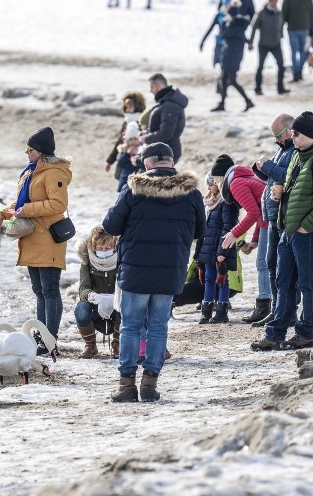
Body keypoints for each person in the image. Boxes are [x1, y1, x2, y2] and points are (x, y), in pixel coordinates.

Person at [104, 142, 204, 403]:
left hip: (135, 270)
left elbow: (111, 225)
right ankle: (150, 385)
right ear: (171, 162)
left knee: (130, 327)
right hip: (171, 270)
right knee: (159, 327)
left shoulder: (133, 189)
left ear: (146, 164)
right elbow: (199, 231)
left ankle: (126, 385)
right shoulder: (191, 192)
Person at [252, 111, 313, 351]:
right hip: (287, 230)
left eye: (296, 133)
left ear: (309, 135)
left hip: (309, 232)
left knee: (308, 283)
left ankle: (305, 333)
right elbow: (294, 187)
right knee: (283, 283)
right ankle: (275, 333)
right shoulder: (296, 157)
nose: (292, 137)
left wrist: (304, 227)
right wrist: (280, 192)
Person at [0, 127, 72, 350]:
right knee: (39, 290)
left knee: (50, 289)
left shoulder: (54, 173)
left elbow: (59, 205)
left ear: (41, 151)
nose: (26, 153)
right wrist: (2, 214)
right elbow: (19, 204)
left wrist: (27, 210)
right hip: (32, 238)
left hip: (48, 237)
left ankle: (50, 340)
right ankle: (42, 337)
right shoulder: (30, 172)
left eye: (30, 149)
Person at [246, 113, 295, 325]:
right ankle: (276, 310)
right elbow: (276, 178)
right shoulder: (282, 149)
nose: (276, 139)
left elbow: (288, 176)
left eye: (278, 135)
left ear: (290, 130)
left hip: (284, 216)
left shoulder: (295, 151)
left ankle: (285, 312)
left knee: (283, 268)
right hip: (273, 216)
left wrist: (267, 166)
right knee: (271, 264)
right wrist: (262, 171)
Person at [213, 154, 268, 322]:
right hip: (270, 220)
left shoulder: (236, 183)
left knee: (263, 264)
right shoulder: (245, 176)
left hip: (273, 221)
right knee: (271, 264)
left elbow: (254, 213)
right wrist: (256, 239)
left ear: (221, 177)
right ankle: (273, 305)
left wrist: (234, 233)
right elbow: (261, 207)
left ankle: (265, 305)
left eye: (215, 180)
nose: (216, 184)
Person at [195, 172, 238, 324]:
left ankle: (221, 312)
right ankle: (206, 312)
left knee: (222, 280)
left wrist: (222, 251)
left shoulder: (226, 203)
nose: (209, 187)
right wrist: (198, 253)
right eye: (208, 185)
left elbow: (227, 228)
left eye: (211, 184)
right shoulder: (209, 204)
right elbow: (204, 229)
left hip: (220, 249)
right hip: (207, 249)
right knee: (208, 279)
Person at [74, 226, 120, 358]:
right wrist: (91, 295)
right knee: (81, 310)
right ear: (94, 247)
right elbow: (83, 288)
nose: (104, 251)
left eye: (107, 248)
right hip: (95, 303)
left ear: (115, 247)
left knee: (127, 306)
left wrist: (114, 297)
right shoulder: (87, 263)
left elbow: (126, 284)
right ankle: (90, 345)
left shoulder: (121, 261)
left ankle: (117, 344)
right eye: (100, 248)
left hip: (116, 302)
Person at [211, 0, 255, 113]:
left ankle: (248, 101)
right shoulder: (238, 25)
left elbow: (224, 35)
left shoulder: (233, 25)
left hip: (232, 56)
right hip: (229, 55)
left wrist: (225, 24)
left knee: (232, 80)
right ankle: (222, 103)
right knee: (224, 79)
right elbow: (242, 37)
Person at [140, 73, 188, 165]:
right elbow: (161, 126)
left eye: (152, 87)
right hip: (162, 150)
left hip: (167, 153)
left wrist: (146, 138)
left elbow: (166, 133)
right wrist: (147, 132)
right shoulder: (165, 101)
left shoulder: (170, 105)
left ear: (159, 86)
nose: (150, 90)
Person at [249, 0, 289, 96]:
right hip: (264, 44)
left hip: (276, 44)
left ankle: (280, 88)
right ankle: (257, 88)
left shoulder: (279, 13)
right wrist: (251, 42)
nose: (274, 2)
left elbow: (281, 25)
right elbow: (254, 27)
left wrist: (281, 36)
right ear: (269, 1)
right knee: (260, 66)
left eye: (276, 0)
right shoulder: (262, 13)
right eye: (273, 0)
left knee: (281, 65)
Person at [105, 91, 146, 178]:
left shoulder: (142, 121)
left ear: (137, 106)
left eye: (130, 106)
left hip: (137, 157)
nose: (127, 109)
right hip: (124, 154)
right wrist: (110, 161)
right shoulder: (126, 122)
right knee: (119, 177)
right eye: (126, 107)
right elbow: (119, 141)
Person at [281, 0, 313, 83]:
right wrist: (311, 27)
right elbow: (311, 11)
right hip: (305, 26)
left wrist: (281, 26)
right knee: (304, 51)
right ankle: (300, 70)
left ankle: (296, 72)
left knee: (294, 51)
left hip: (293, 27)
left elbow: (284, 13)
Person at [116, 122, 142, 191]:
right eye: (130, 139)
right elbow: (120, 164)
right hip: (125, 180)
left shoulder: (141, 149)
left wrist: (138, 155)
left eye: (135, 138)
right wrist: (126, 154)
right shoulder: (124, 150)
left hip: (137, 182)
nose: (133, 141)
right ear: (127, 141)